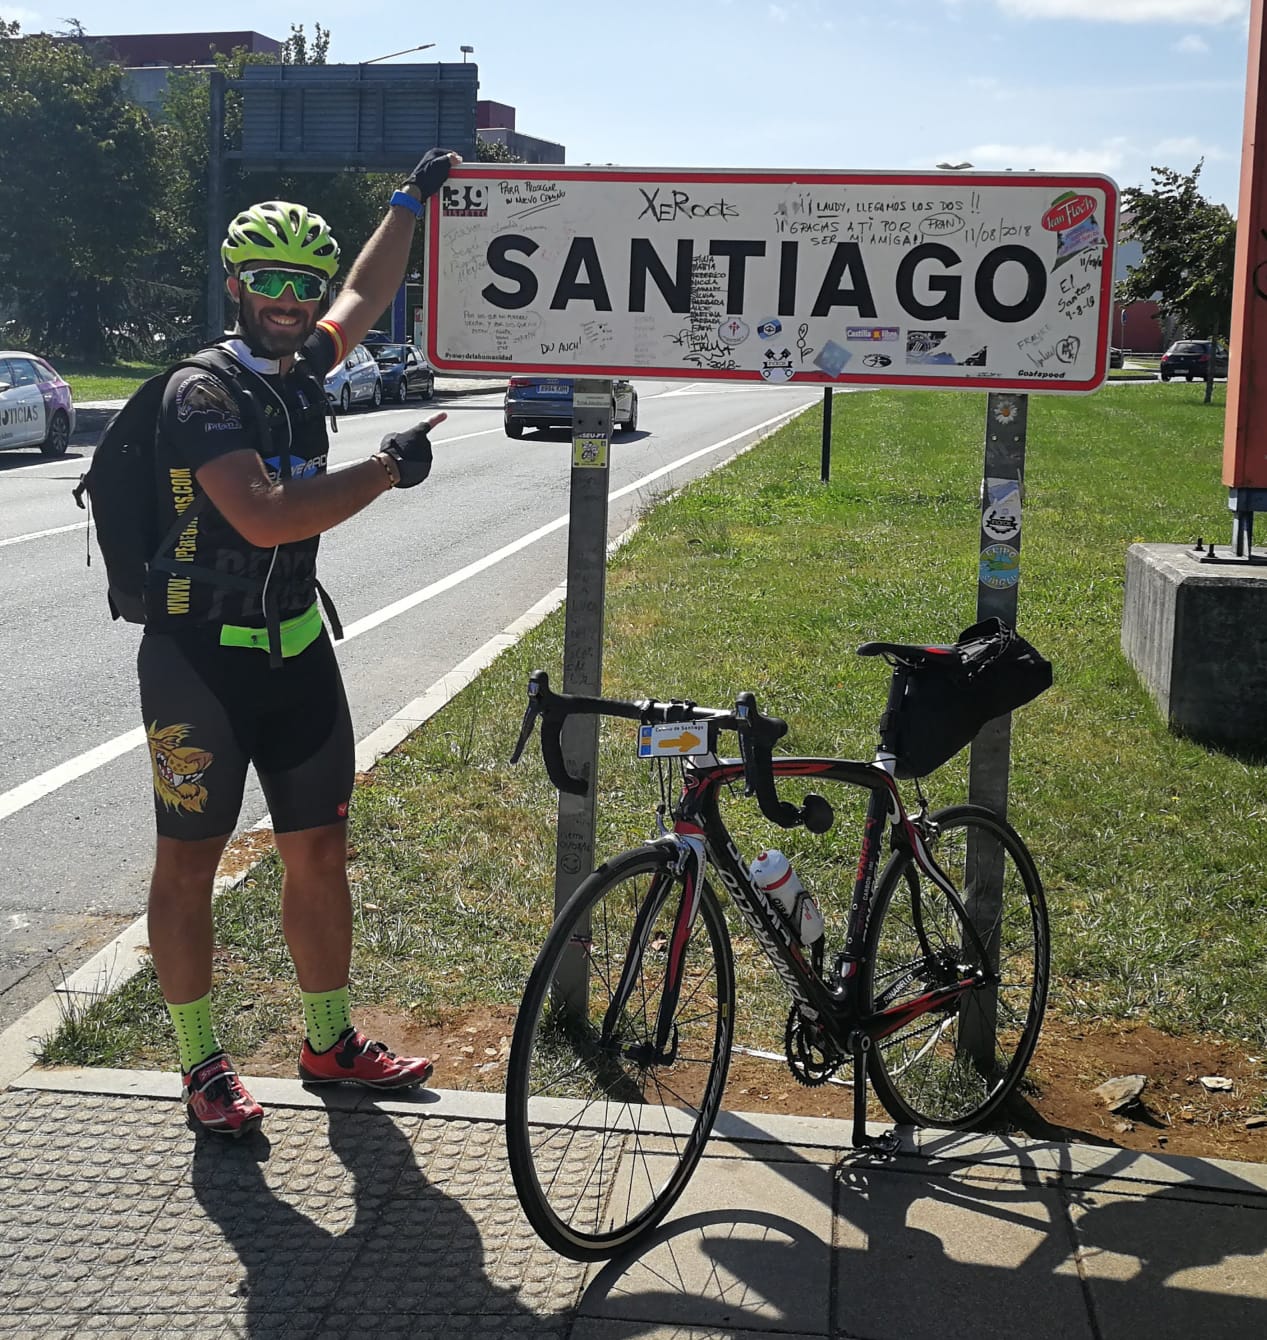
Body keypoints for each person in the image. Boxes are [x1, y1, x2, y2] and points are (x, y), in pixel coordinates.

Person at [140, 149, 460, 1137]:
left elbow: (368, 288)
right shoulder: (202, 391)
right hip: (198, 661)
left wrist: (408, 199)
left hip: (295, 653)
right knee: (188, 863)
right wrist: (383, 471)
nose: (288, 300)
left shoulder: (303, 367)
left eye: (301, 285)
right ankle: (202, 1061)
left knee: (319, 849)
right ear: (235, 284)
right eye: (267, 281)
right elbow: (266, 516)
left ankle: (327, 1040)